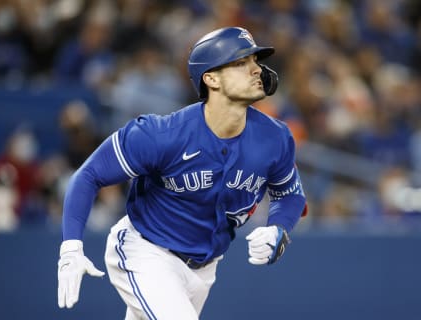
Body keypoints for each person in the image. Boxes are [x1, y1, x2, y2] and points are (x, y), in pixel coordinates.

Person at [57, 26, 307, 319]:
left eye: (255, 61)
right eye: (241, 63)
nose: (256, 69)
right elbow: (89, 175)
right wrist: (71, 248)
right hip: (147, 251)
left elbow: (289, 195)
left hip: (204, 269)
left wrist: (279, 229)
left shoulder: (275, 138)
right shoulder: (162, 134)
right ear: (211, 78)